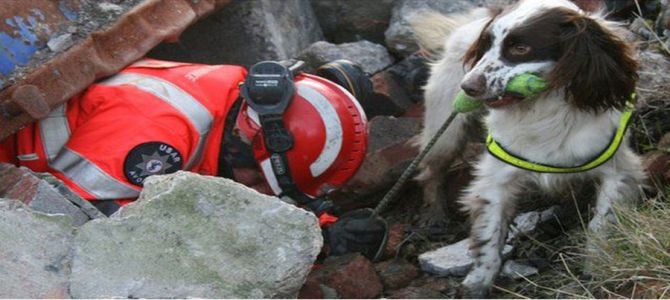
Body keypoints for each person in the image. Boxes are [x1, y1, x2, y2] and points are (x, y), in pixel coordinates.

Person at [0, 58, 387, 260]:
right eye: (256, 181)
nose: (255, 194)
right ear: (251, 136)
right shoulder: (158, 137)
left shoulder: (233, 98)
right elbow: (103, 232)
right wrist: (296, 244)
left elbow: (240, 196)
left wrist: (321, 227)